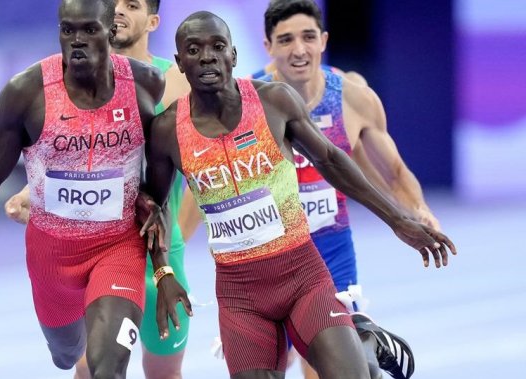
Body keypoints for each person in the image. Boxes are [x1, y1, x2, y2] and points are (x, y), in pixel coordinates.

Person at [144, 11, 456, 379]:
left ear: (234, 55)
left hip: (301, 275)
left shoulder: (274, 102)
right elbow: (155, 205)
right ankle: (359, 338)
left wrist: (399, 219)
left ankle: (362, 342)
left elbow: (332, 160)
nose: (207, 56)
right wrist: (163, 270)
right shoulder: (167, 131)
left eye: (217, 46)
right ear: (179, 62)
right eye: (193, 49)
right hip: (240, 296)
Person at [0, 1, 189, 378]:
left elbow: (155, 192)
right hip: (52, 255)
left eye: (89, 30)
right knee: (67, 355)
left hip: (118, 246)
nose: (77, 40)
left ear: (110, 30)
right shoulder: (25, 93)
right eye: (67, 30)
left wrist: (163, 268)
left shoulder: (144, 85)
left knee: (107, 366)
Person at [259, 1, 441, 378]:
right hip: (268, 254)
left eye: (309, 37)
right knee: (272, 365)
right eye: (286, 39)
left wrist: (418, 208)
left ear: (323, 40)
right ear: (268, 46)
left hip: (331, 248)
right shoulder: (247, 103)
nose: (299, 49)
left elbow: (394, 173)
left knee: (329, 364)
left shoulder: (352, 98)